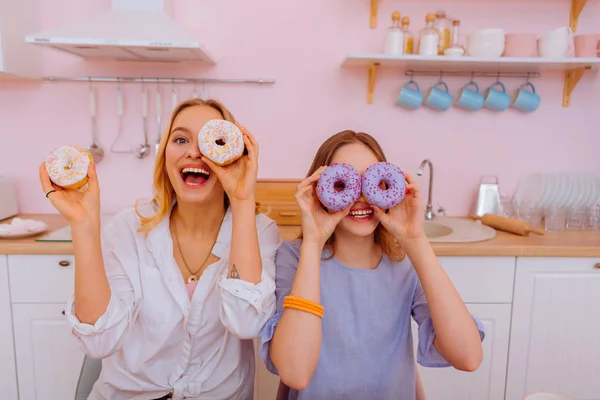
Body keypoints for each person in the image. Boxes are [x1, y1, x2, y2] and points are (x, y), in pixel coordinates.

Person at [39, 98, 281, 400]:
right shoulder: (128, 229)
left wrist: (243, 200)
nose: (194, 151)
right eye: (180, 139)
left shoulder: (260, 232)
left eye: (211, 139)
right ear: (165, 156)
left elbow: (246, 323)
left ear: (234, 153)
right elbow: (98, 343)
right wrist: (85, 227)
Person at [259, 130, 485, 399]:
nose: (361, 196)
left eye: (372, 182)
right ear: (319, 190)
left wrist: (415, 240)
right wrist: (313, 242)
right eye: (344, 184)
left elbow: (468, 357)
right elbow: (295, 372)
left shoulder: (403, 262)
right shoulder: (295, 258)